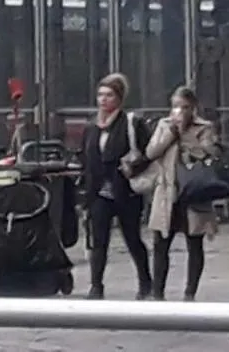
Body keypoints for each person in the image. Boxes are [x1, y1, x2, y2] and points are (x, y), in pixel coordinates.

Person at [80, 72, 153, 300]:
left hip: (125, 189)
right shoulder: (92, 127)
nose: (103, 100)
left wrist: (133, 167)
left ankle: (145, 281)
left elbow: (148, 152)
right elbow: (86, 158)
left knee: (132, 237)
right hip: (99, 191)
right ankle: (96, 286)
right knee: (98, 240)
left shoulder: (131, 123)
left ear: (119, 98)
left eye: (109, 95)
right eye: (100, 95)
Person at [145, 86, 220, 301]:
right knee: (161, 243)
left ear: (193, 108)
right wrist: (171, 133)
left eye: (185, 107)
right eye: (176, 107)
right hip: (168, 191)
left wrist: (188, 139)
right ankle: (157, 292)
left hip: (193, 191)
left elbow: (210, 153)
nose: (180, 112)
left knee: (194, 242)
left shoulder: (204, 128)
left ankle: (190, 292)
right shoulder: (164, 125)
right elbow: (151, 152)